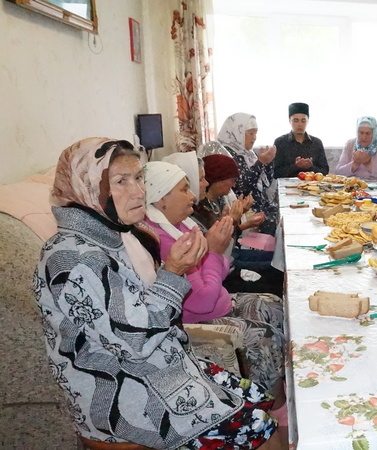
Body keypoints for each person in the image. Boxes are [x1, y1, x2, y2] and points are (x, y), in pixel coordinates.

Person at [34, 138, 277, 448]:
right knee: (259, 427)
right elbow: (135, 341)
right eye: (120, 182)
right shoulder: (73, 259)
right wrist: (173, 272)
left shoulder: (113, 236)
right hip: (124, 395)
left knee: (257, 399)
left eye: (138, 178)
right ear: (87, 188)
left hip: (159, 368)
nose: (139, 191)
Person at [143, 161, 286, 395]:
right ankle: (273, 401)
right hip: (201, 318)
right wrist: (214, 252)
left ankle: (282, 379)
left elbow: (221, 271)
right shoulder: (166, 241)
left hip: (219, 300)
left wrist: (216, 253)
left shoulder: (181, 226)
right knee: (265, 335)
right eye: (184, 189)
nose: (192, 195)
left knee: (276, 307)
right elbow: (203, 300)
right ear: (161, 198)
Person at [218, 112, 279, 236]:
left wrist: (268, 162)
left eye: (256, 133)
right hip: (246, 210)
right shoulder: (226, 155)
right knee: (278, 224)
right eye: (251, 133)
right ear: (238, 132)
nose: (255, 137)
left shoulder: (248, 153)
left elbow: (265, 183)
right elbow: (241, 188)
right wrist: (260, 163)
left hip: (260, 205)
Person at [334, 116, 377, 186]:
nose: (364, 137)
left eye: (368, 133)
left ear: (374, 133)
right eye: (361, 133)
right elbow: (338, 172)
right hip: (353, 188)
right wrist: (355, 164)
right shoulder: (350, 145)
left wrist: (369, 164)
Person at [273, 102, 329, 178]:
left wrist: (310, 167)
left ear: (307, 121)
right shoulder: (280, 142)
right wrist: (296, 166)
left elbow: (325, 171)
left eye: (303, 121)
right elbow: (275, 173)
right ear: (290, 121)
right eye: (296, 120)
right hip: (286, 185)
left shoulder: (316, 143)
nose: (300, 124)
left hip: (311, 185)